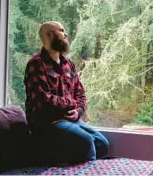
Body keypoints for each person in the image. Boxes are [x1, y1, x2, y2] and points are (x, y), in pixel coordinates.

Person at [24, 21, 109, 165]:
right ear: (50, 35)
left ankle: (61, 162)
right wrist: (72, 103)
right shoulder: (36, 64)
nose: (66, 34)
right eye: (61, 30)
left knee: (102, 144)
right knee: (87, 142)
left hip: (71, 119)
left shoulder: (68, 64)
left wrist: (78, 110)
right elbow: (43, 100)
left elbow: (80, 92)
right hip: (47, 123)